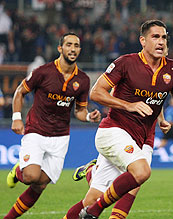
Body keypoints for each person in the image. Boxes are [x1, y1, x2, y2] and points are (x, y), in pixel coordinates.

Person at [73, 19, 173, 219]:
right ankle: (94, 212)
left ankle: (91, 185)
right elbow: (96, 93)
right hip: (114, 130)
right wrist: (129, 105)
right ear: (143, 40)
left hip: (144, 137)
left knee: (94, 198)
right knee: (141, 172)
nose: (161, 42)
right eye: (155, 37)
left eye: (164, 37)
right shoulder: (126, 62)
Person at [4, 32, 101, 219]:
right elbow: (19, 92)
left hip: (60, 137)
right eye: (69, 45)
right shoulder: (43, 72)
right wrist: (17, 117)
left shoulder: (82, 80)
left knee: (40, 185)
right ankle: (18, 171)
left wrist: (89, 117)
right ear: (60, 48)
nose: (73, 49)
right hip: (36, 131)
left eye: (76, 46)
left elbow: (79, 111)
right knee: (31, 176)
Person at [67, 110, 171, 219]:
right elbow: (100, 94)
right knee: (92, 198)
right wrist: (128, 106)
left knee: (135, 182)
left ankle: (91, 172)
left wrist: (161, 119)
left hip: (144, 138)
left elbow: (159, 97)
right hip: (118, 133)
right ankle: (90, 172)